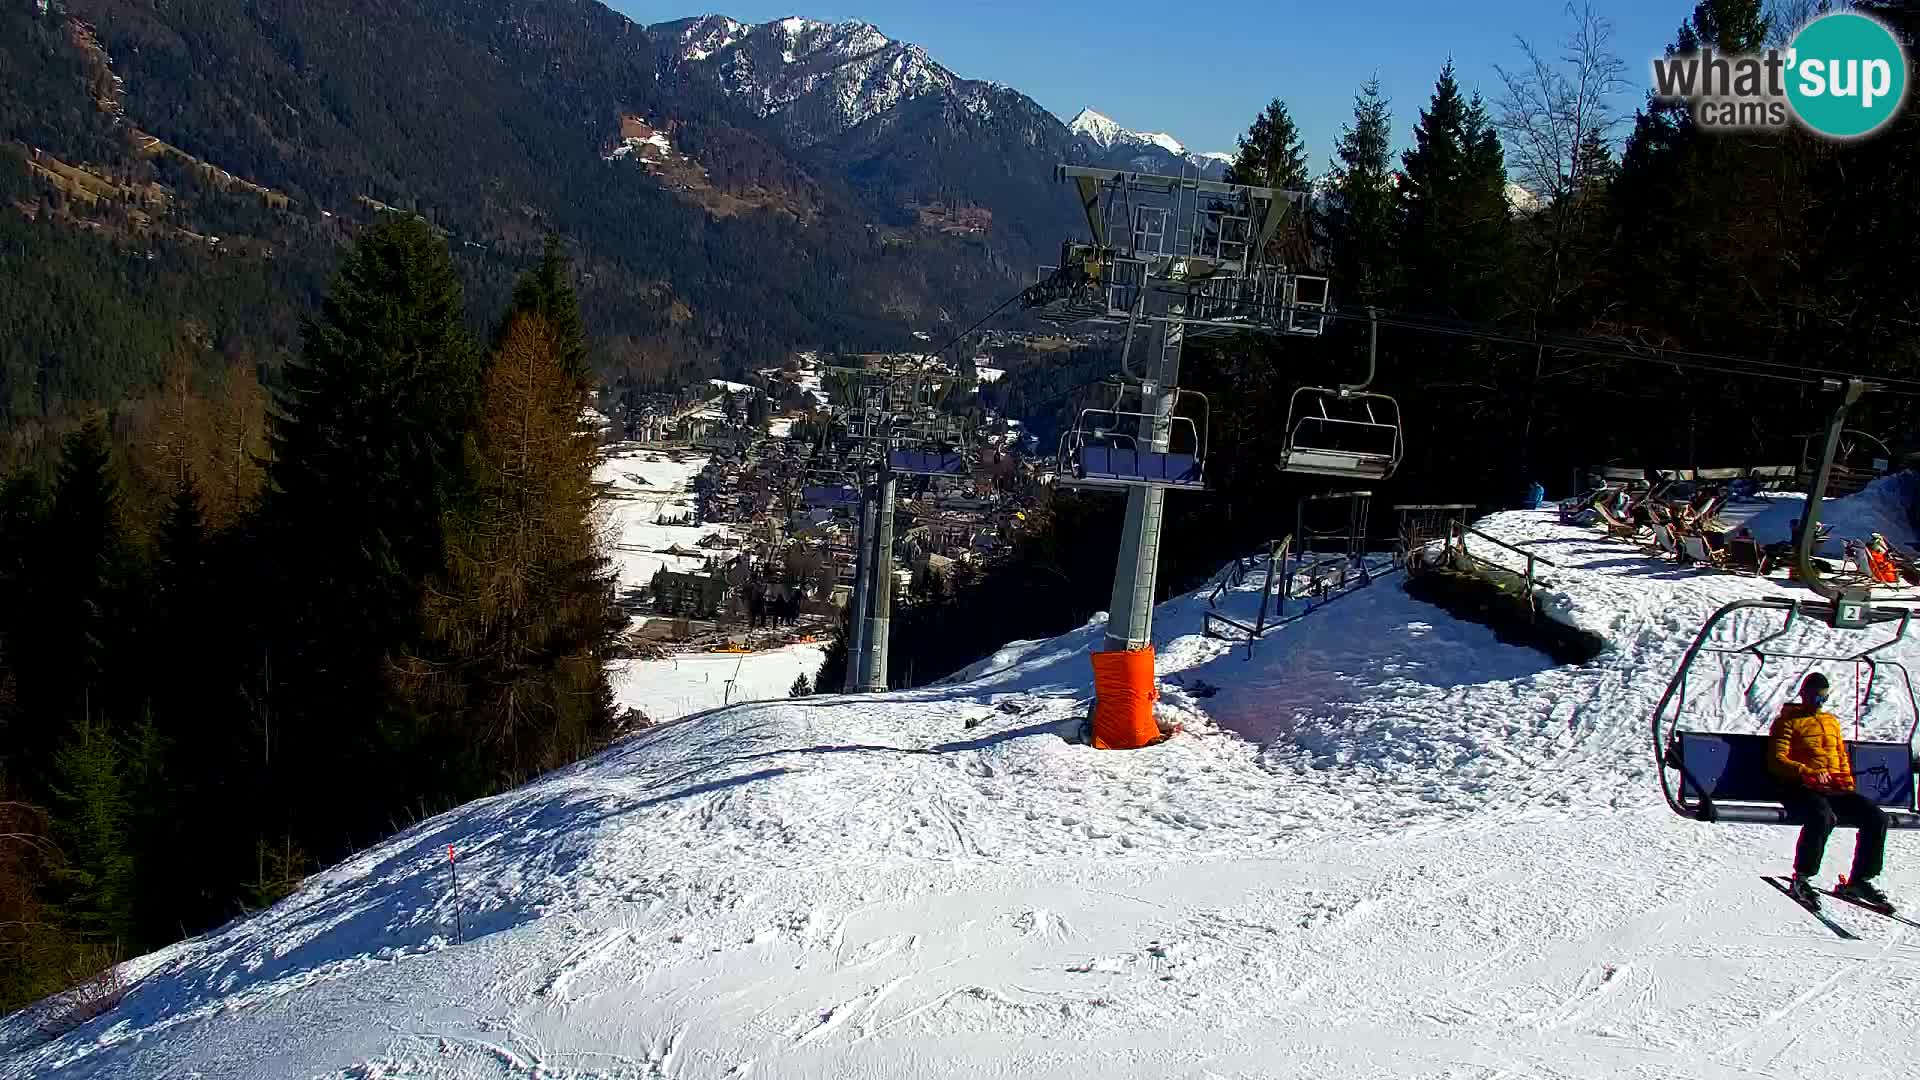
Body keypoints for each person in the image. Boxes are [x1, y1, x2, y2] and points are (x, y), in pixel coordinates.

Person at [1772, 673, 1891, 908]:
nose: (1820, 703)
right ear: (1804, 695)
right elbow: (1777, 760)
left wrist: (1845, 783)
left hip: (1833, 788)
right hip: (1801, 786)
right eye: (1816, 697)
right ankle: (1802, 877)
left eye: (1824, 698)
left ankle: (1860, 879)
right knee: (1822, 816)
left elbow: (1841, 757)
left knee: (1877, 817)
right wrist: (1806, 771)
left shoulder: (1831, 722)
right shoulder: (1787, 722)